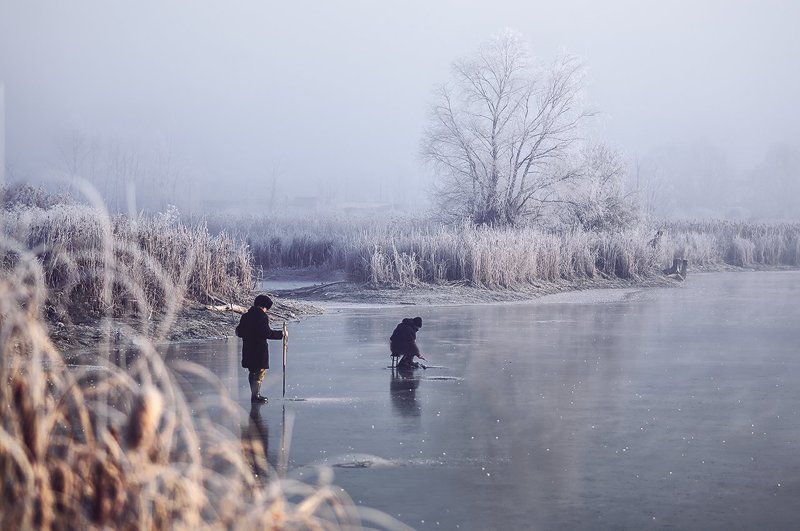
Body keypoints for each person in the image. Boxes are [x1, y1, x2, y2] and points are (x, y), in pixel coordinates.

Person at [236, 294, 285, 403]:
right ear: (264, 306)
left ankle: (254, 395)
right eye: (266, 308)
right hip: (259, 349)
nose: (266, 310)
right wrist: (281, 334)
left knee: (252, 371)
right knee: (259, 372)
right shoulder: (262, 316)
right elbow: (266, 333)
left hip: (248, 348)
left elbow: (239, 332)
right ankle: (256, 396)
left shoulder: (245, 316)